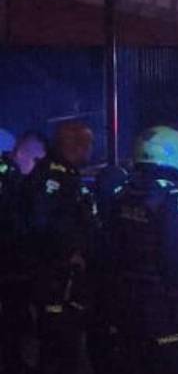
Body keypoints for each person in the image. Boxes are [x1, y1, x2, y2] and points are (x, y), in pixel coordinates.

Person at [97, 126, 178, 374]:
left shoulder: (123, 192)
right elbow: (177, 264)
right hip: (160, 306)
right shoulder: (172, 198)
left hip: (122, 299)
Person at [24, 121, 98, 374]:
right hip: (54, 281)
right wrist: (68, 255)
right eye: (87, 144)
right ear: (74, 145)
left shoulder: (67, 175)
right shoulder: (54, 177)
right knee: (57, 349)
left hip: (64, 281)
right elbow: (43, 224)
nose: (91, 150)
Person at [0, 131, 44, 374]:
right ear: (21, 155)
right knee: (14, 313)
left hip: (12, 260)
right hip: (11, 262)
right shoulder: (13, 183)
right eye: (36, 161)